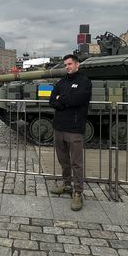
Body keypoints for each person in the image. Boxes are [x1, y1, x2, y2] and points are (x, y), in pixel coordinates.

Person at [48, 54, 92, 211]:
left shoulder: (84, 82)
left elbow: (79, 99)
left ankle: (78, 192)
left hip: (74, 129)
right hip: (59, 127)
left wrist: (62, 99)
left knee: (76, 163)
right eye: (65, 64)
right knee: (63, 160)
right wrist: (63, 100)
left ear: (77, 65)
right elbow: (52, 100)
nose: (67, 67)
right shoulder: (61, 82)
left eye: (70, 64)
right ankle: (67, 184)